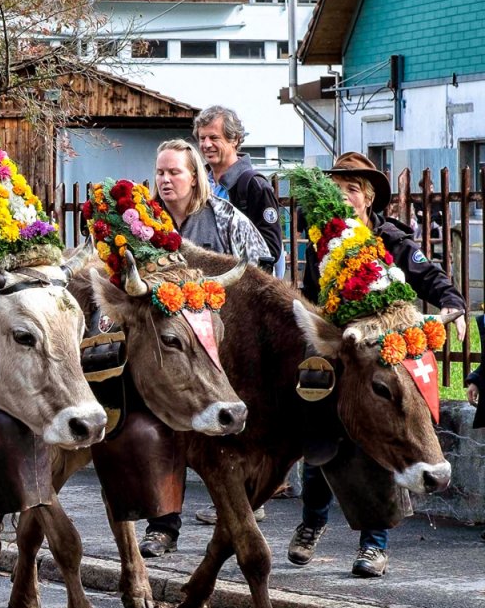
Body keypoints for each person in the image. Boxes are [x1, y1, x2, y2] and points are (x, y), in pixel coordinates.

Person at [289, 152, 468, 577]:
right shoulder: (322, 242)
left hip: (384, 361)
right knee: (321, 442)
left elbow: (433, 279)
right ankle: (312, 522)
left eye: (352, 189)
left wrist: (454, 306)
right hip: (342, 356)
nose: (344, 197)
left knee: (383, 443)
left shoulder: (390, 238)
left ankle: (374, 545)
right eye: (337, 189)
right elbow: (313, 298)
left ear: (368, 198)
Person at [137, 138, 273, 559]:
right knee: (161, 431)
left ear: (194, 177)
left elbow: (260, 269)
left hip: (220, 346)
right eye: (160, 172)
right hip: (165, 348)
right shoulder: (144, 223)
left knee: (221, 441)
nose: (165, 179)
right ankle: (162, 525)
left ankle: (238, 517)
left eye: (174, 172)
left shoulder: (225, 218)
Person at [194, 105, 284, 271]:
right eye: (202, 138)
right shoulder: (198, 183)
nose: (206, 144)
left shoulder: (254, 186)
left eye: (214, 138)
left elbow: (271, 250)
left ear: (234, 139)